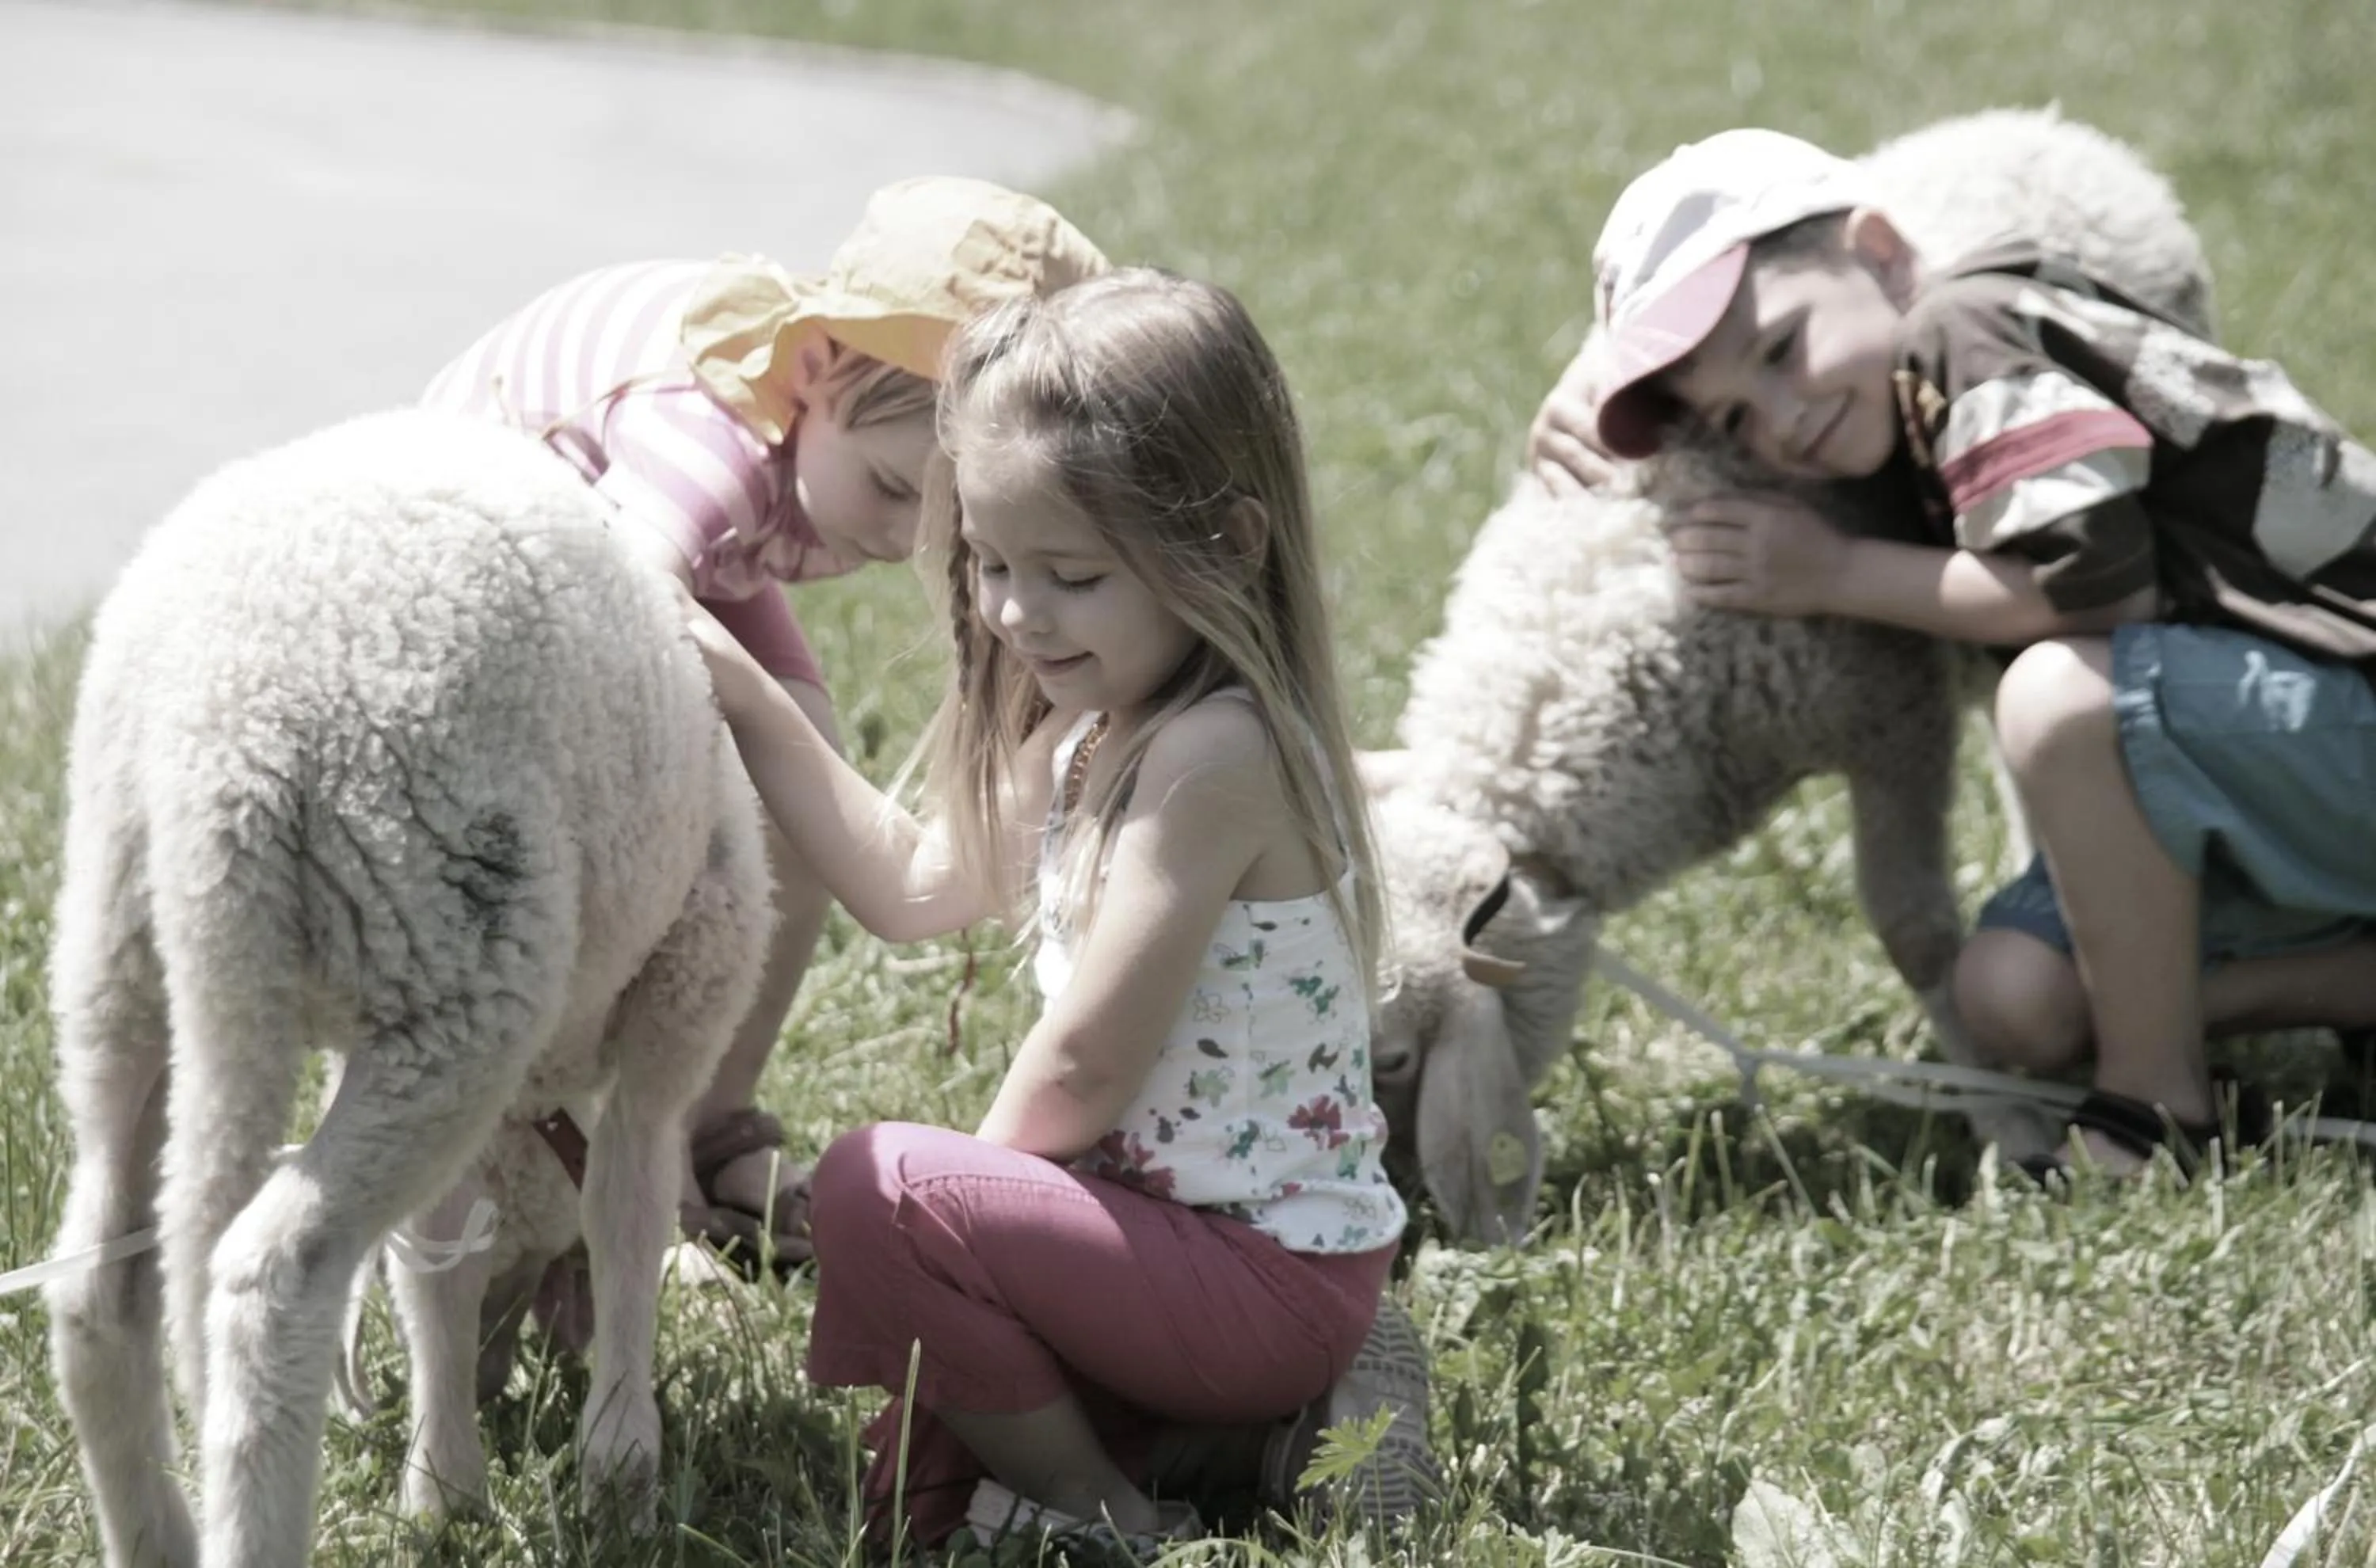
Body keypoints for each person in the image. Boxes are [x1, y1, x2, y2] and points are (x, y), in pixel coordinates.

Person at [683, 268, 1436, 1552]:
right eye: (990, 563)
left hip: (1264, 1277)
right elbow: (917, 888)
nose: (1017, 613)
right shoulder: (1091, 720)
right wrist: (749, 696)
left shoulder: (1218, 754)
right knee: (910, 1501)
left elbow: (1082, 1068)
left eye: (1072, 575)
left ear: (1229, 543)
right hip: (1153, 1253)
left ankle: (1110, 1516)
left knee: (879, 1190)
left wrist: (940, 1227)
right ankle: (1253, 1443)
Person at [1568, 127, 2376, 1176]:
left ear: (1884, 253)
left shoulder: (1967, 326)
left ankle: (2154, 1109)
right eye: (1731, 415)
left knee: (2056, 698)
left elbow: (2095, 587)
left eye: (1781, 349)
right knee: (2013, 997)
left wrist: (1831, 571)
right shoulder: (1906, 390)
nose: (1781, 419)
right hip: (2278, 757)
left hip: (2345, 699)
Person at [424, 177, 1107, 1265]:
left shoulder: (820, 439)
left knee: (804, 798)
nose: (900, 542)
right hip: (500, 558)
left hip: (694, 563)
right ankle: (576, 1145)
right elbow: (628, 609)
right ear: (816, 368)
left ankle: (704, 1124)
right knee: (684, 820)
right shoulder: (705, 444)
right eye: (891, 490)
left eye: (948, 526)